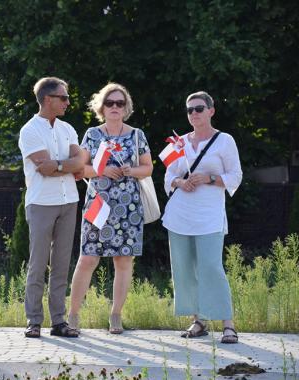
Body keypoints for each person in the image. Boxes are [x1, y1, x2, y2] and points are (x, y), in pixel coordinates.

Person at [67, 83, 154, 334]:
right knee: (87, 258)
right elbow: (79, 168)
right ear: (101, 107)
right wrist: (101, 170)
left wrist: (131, 170)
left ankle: (115, 315)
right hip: (98, 205)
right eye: (110, 103)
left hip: (128, 207)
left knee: (124, 260)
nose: (115, 107)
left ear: (126, 107)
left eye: (120, 103)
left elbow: (148, 168)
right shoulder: (92, 135)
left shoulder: (136, 135)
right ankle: (73, 315)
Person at [162, 91, 242, 344]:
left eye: (199, 108)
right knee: (184, 270)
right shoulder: (179, 143)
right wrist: (180, 182)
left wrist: (209, 178)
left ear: (211, 111)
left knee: (211, 267)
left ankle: (228, 324)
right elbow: (167, 176)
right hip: (180, 214)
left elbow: (235, 176)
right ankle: (199, 321)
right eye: (190, 110)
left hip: (209, 215)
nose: (194, 113)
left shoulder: (224, 141)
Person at [18, 77, 85, 338]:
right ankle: (33, 320)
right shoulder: (30, 130)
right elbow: (43, 168)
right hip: (41, 203)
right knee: (38, 263)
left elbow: (79, 160)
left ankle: (59, 321)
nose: (68, 102)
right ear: (48, 100)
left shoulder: (68, 128)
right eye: (63, 98)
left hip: (69, 201)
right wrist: (67, 166)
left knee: (61, 263)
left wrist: (60, 166)